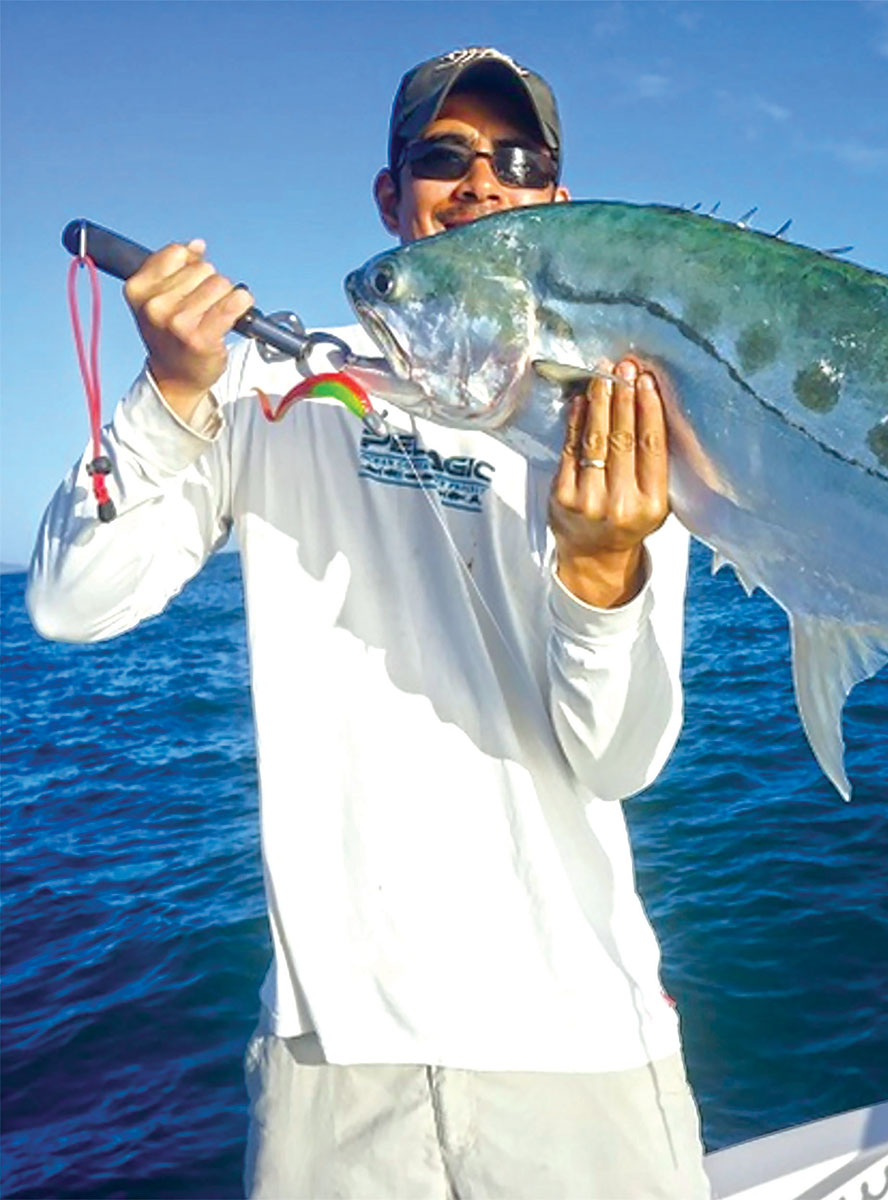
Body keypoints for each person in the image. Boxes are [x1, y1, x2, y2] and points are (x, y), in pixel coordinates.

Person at [28, 47, 710, 1199]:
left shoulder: (624, 425)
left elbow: (621, 757)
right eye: (442, 157)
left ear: (556, 198)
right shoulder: (269, 397)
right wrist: (176, 393)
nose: (480, 180)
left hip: (579, 1039)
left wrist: (602, 562)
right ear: (391, 200)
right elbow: (70, 601)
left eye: (518, 160)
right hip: (331, 1060)